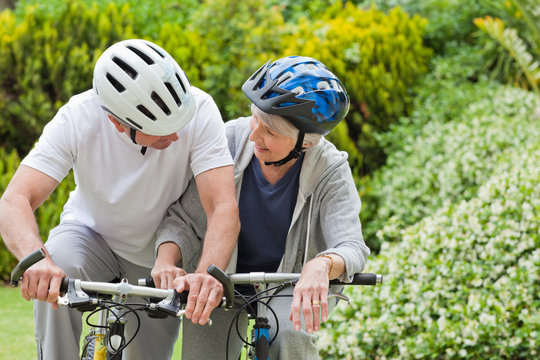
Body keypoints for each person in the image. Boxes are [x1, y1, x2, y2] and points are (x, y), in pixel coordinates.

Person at [0, 39, 239, 360]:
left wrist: (206, 274)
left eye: (179, 123)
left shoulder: (202, 108)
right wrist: (37, 261)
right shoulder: (77, 117)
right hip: (89, 236)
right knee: (57, 266)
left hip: (162, 255)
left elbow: (222, 206)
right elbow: (15, 199)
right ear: (117, 122)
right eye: (161, 130)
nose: (176, 136)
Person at [155, 56, 371, 359]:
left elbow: (352, 246)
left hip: (289, 283)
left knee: (291, 331)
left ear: (305, 143)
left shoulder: (329, 169)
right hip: (223, 276)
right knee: (201, 336)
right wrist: (166, 259)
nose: (254, 134)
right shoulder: (230, 139)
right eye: (255, 118)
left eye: (270, 131)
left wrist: (320, 266)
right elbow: (183, 219)